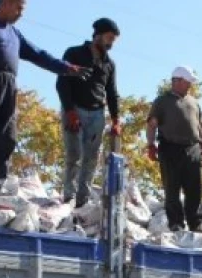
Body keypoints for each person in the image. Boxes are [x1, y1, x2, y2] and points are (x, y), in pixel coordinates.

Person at [0, 0, 85, 200]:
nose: (21, 13)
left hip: (9, 85)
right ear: (6, 3)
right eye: (19, 8)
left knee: (6, 136)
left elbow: (37, 54)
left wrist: (65, 67)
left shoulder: (14, 33)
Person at [55, 17, 121, 207]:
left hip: (97, 115)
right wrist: (69, 111)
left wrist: (116, 120)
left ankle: (82, 201)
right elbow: (62, 83)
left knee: (91, 158)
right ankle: (69, 196)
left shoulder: (109, 64)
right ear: (98, 35)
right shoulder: (74, 53)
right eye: (109, 38)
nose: (111, 43)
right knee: (73, 154)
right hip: (75, 109)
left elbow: (112, 93)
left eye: (113, 40)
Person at [146, 66, 202, 232]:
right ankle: (176, 223)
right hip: (170, 147)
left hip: (192, 148)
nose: (189, 86)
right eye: (187, 82)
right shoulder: (162, 101)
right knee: (172, 188)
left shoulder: (194, 102)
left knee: (194, 189)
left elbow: (201, 127)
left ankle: (196, 223)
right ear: (178, 81)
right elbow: (152, 124)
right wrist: (151, 145)